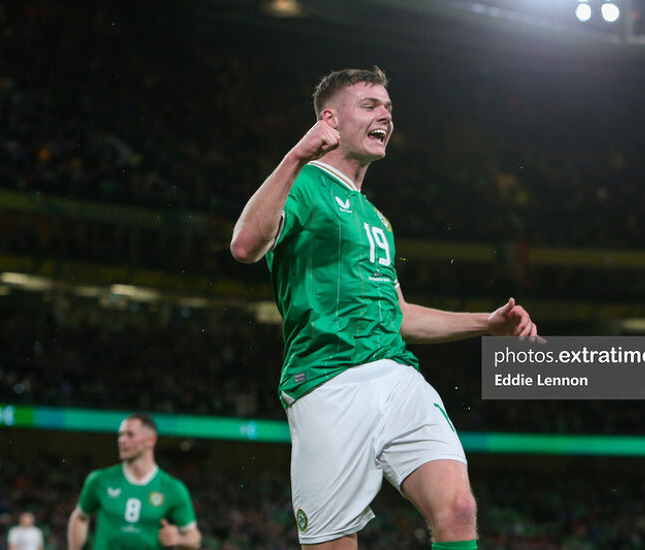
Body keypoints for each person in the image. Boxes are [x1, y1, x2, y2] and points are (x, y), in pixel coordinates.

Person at [230, 66, 540, 550]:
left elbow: (398, 315)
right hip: (327, 382)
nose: (386, 115)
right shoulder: (305, 183)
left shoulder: (377, 218)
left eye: (389, 108)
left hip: (397, 376)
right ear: (330, 120)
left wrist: (487, 323)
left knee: (458, 508)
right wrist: (295, 156)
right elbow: (245, 245)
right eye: (370, 105)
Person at [67, 413, 201, 550]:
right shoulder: (99, 480)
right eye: (120, 435)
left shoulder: (173, 488)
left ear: (150, 440)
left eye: (130, 435)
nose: (121, 440)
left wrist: (178, 538)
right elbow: (80, 517)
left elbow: (194, 538)